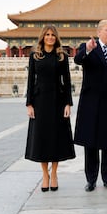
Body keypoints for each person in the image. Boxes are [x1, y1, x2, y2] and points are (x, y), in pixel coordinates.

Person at [74, 19, 107, 192]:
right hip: (90, 103)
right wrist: (89, 50)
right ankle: (91, 179)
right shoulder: (88, 47)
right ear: (98, 33)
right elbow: (78, 59)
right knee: (90, 143)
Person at [25, 25, 76, 192]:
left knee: (56, 138)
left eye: (53, 35)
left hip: (57, 101)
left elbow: (67, 81)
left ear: (56, 37)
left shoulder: (61, 56)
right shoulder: (35, 56)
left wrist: (68, 103)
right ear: (42, 37)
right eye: (47, 34)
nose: (50, 37)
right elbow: (31, 80)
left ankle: (54, 173)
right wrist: (29, 104)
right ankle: (44, 175)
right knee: (41, 138)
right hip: (39, 102)